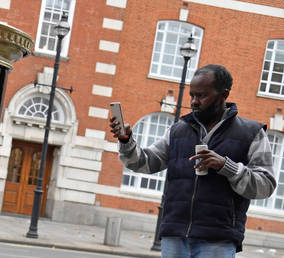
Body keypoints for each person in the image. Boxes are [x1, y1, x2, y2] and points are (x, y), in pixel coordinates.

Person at [110, 64, 276, 258]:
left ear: (224, 94)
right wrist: (126, 141)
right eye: (192, 95)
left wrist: (226, 166)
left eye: (202, 96)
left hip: (217, 239)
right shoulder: (178, 130)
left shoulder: (251, 133)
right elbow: (144, 163)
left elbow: (266, 185)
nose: (194, 102)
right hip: (175, 235)